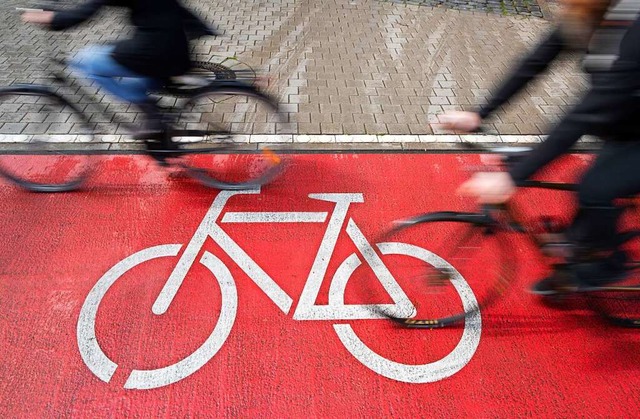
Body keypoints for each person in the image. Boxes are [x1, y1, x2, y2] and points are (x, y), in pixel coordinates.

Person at [438, 1, 640, 294]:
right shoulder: (586, 16)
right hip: (624, 124)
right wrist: (480, 113)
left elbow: (585, 114)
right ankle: (574, 263)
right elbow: (535, 62)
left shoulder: (632, 27)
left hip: (631, 133)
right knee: (575, 191)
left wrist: (512, 178)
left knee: (594, 188)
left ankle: (608, 263)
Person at [20, 0, 215, 140]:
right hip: (176, 45)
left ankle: (151, 114)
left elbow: (86, 12)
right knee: (110, 56)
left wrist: (53, 18)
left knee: (87, 61)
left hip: (159, 50)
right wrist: (56, 12)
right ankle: (158, 129)